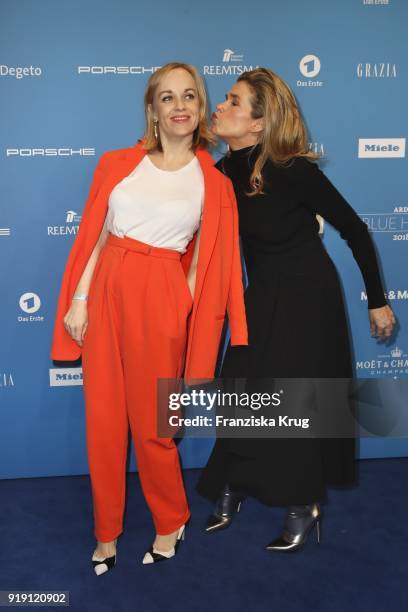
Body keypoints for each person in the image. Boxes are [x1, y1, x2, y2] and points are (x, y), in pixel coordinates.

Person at [50, 62, 247, 573]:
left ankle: (170, 518)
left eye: (189, 96)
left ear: (200, 109)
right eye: (167, 97)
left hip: (161, 297)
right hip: (106, 289)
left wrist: (178, 307)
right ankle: (106, 531)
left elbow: (206, 262)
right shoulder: (117, 163)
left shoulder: (214, 181)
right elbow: (96, 234)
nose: (179, 105)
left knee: (156, 424)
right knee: (104, 422)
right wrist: (79, 298)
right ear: (152, 109)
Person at [196, 67, 396, 552]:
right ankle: (237, 481)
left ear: (259, 123)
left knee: (293, 400)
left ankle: (303, 505)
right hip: (260, 294)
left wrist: (378, 299)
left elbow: (353, 228)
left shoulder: (292, 169)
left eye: (234, 102)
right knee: (243, 388)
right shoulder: (221, 173)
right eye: (225, 99)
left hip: (308, 294)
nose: (221, 106)